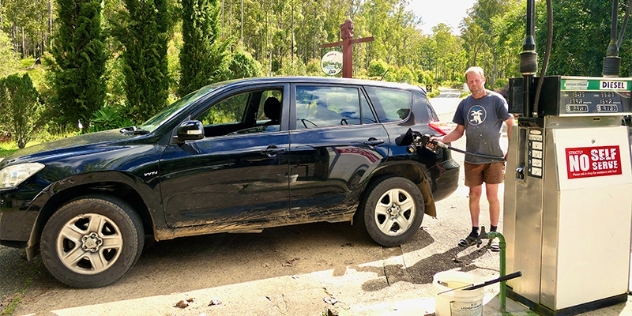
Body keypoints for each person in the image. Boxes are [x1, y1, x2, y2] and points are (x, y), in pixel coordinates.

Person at [433, 66, 513, 252]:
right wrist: (442, 139)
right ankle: (474, 232)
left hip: (493, 158)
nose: (474, 84)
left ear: (483, 79)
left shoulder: (496, 100)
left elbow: (510, 123)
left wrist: (511, 149)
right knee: (474, 196)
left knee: (492, 196)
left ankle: (493, 234)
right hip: (472, 158)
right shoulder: (464, 104)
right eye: (470, 81)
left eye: (477, 80)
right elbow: (459, 131)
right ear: (467, 83)